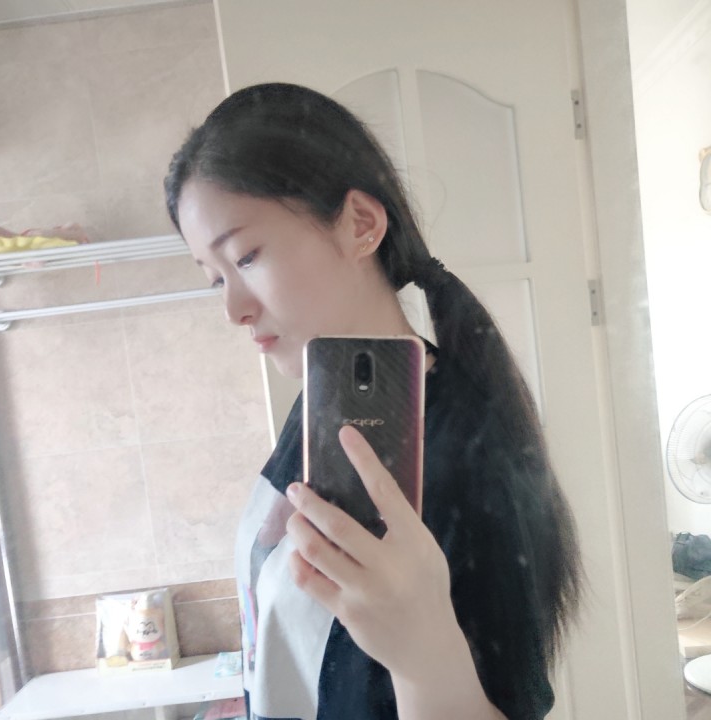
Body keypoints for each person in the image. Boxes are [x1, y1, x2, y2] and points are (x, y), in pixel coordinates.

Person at [164, 83, 582, 720]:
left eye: (245, 256)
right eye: (214, 278)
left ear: (361, 224)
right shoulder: (321, 403)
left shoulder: (471, 452)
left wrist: (424, 659)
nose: (232, 309)